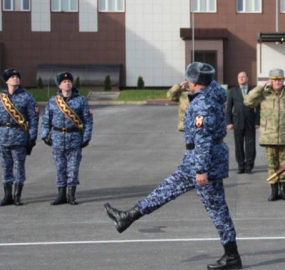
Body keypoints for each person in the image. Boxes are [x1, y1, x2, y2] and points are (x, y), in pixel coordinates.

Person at [103, 63, 242, 270]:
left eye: (189, 79)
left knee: (217, 209)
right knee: (167, 188)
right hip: (197, 158)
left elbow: (203, 138)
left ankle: (232, 257)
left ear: (194, 82)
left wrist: (201, 170)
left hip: (204, 162)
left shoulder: (202, 104)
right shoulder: (211, 92)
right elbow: (207, 86)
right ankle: (129, 216)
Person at [244, 68, 285, 202]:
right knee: (272, 165)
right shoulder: (264, 94)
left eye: (279, 79)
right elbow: (247, 101)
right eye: (274, 80)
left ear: (283, 80)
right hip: (269, 136)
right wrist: (260, 87)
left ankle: (283, 191)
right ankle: (274, 191)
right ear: (270, 81)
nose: (277, 82)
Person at [41, 72, 94, 205]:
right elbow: (46, 120)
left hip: (74, 137)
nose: (67, 83)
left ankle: (71, 195)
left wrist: (86, 137)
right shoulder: (53, 101)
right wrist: (45, 135)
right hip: (57, 137)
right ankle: (61, 195)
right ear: (59, 85)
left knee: (73, 168)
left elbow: (87, 121)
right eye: (64, 82)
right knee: (60, 168)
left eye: (69, 81)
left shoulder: (81, 100)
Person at [0, 69, 38, 207]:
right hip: (3, 137)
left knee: (19, 167)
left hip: (20, 137)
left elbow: (33, 119)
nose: (15, 79)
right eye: (12, 77)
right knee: (5, 167)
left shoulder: (27, 97)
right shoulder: (0, 98)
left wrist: (32, 138)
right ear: (6, 80)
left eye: (17, 76)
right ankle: (7, 195)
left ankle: (17, 196)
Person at [226, 71, 259, 174]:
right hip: (237, 121)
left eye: (243, 76)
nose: (241, 78)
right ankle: (241, 165)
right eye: (239, 77)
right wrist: (229, 122)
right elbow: (228, 108)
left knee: (250, 145)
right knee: (238, 144)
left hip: (250, 121)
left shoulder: (253, 90)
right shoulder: (232, 91)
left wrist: (257, 121)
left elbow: (258, 107)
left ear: (247, 78)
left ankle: (249, 166)